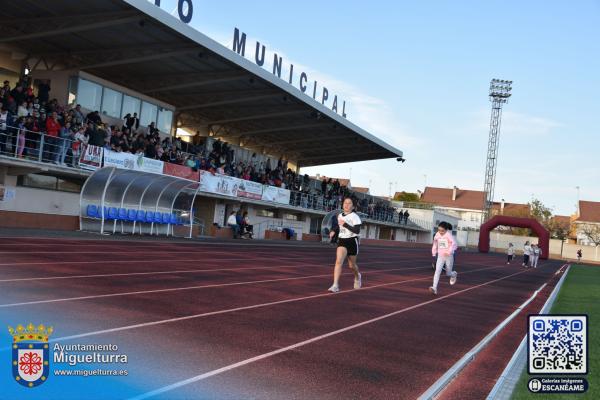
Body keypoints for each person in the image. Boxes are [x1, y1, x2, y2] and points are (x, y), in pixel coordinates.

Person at [327, 197, 362, 293]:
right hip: (342, 241)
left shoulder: (355, 216)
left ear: (353, 206)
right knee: (338, 261)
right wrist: (333, 231)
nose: (346, 205)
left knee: (352, 265)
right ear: (342, 204)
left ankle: (357, 276)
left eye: (349, 203)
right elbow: (338, 226)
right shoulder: (340, 216)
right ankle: (335, 285)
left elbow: (357, 230)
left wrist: (345, 224)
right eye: (345, 203)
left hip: (352, 241)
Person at [429, 221, 458, 295]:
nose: (440, 232)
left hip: (449, 256)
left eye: (442, 231)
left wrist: (448, 251)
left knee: (448, 273)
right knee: (437, 271)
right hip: (441, 256)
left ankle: (453, 274)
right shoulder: (437, 235)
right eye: (439, 230)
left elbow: (454, 245)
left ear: (446, 230)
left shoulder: (449, 235)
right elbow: (435, 243)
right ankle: (434, 288)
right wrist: (434, 252)